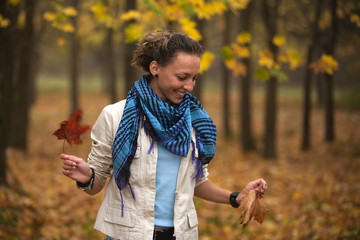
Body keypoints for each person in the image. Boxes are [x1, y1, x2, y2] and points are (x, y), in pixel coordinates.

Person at [61, 30, 267, 240]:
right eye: (182, 77)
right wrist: (87, 177)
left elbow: (196, 181)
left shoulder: (196, 121)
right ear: (155, 67)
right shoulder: (116, 116)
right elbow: (96, 184)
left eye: (194, 78)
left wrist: (236, 197)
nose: (189, 86)